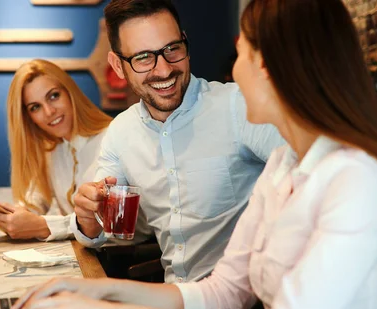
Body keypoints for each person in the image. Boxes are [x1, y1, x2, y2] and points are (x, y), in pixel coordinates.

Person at [11, 0, 377, 309]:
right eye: (143, 57)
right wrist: (94, 292)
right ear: (120, 65)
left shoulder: (356, 181)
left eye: (243, 53)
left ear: (271, 69)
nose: (232, 70)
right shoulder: (283, 168)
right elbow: (223, 293)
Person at [69, 0, 286, 284]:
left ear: (185, 42)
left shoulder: (239, 105)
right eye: (144, 57)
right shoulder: (121, 131)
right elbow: (105, 227)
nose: (163, 69)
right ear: (118, 66)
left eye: (172, 49)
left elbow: (312, 172)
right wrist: (87, 217)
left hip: (248, 297)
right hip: (178, 296)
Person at [0, 59, 112, 241]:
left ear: (70, 93)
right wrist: (16, 214)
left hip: (114, 261)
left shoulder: (112, 139)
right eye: (35, 107)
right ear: (29, 118)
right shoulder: (53, 148)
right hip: (82, 256)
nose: (49, 111)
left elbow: (105, 221)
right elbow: (37, 197)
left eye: (53, 96)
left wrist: (43, 226)